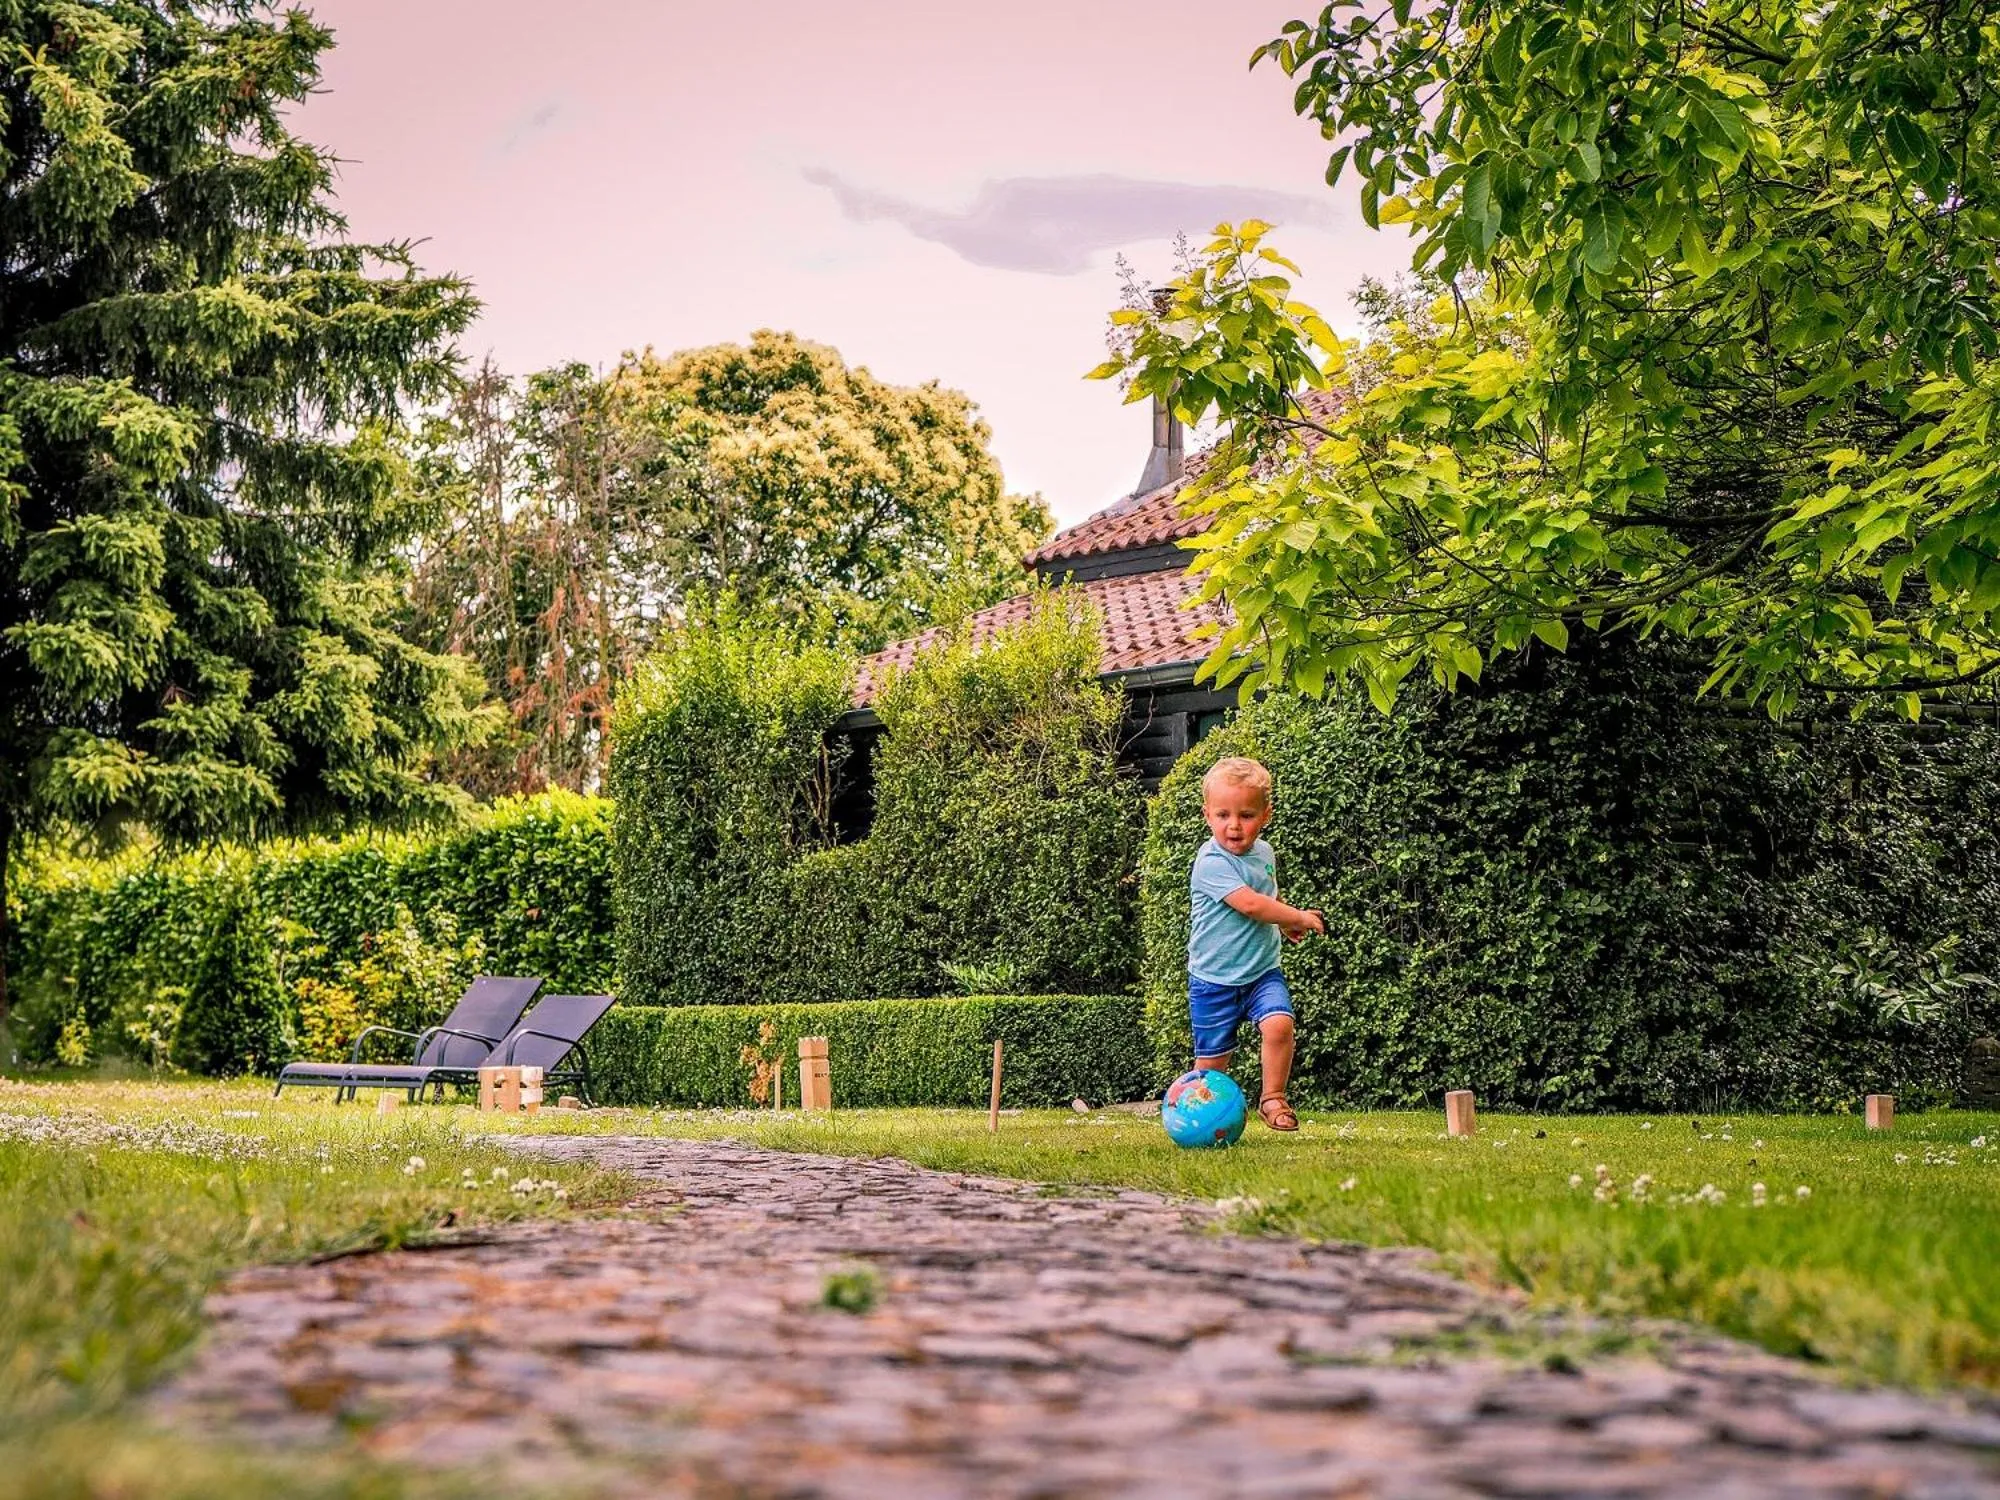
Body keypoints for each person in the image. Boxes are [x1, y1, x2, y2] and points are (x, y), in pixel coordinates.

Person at [1187, 756, 1323, 1132]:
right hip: (1213, 980)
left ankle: (1273, 1098)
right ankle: (1198, 1119)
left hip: (1262, 972)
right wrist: (1296, 916)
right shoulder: (1210, 861)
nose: (1233, 825)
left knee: (1280, 1025)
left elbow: (1265, 899)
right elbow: (1248, 903)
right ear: (1207, 815)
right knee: (1211, 1072)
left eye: (1246, 815)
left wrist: (1281, 925)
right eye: (1223, 814)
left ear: (1266, 815)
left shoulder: (1264, 854)